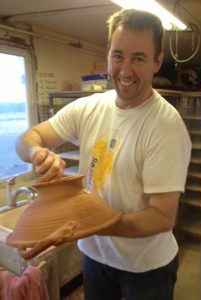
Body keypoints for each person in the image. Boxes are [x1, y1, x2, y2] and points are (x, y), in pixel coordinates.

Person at [16, 8, 191, 300]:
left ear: (157, 62)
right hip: (96, 258)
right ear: (108, 54)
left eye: (138, 58)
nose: (124, 70)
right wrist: (37, 153)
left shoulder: (165, 126)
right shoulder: (89, 107)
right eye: (118, 55)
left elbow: (162, 218)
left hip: (146, 267)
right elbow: (27, 138)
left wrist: (88, 223)